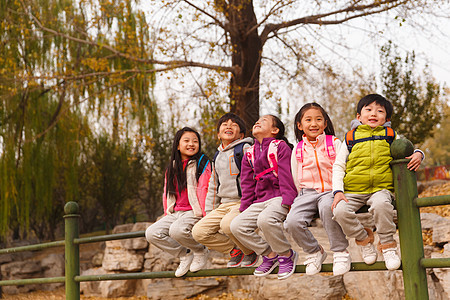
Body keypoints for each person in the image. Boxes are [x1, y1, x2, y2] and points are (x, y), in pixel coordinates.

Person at [331, 94, 424, 271]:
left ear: (386, 118)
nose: (374, 114)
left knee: (382, 205)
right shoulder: (351, 138)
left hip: (380, 189)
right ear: (359, 116)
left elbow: (407, 147)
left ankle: (388, 246)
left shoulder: (390, 135)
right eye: (368, 110)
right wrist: (338, 191)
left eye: (380, 111)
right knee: (339, 210)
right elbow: (339, 165)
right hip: (354, 189)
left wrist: (419, 153)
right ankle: (364, 240)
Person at [285, 103, 350, 276]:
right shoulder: (298, 148)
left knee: (327, 209)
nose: (314, 123)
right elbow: (295, 173)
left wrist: (339, 190)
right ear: (300, 125)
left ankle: (340, 251)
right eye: (308, 120)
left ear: (325, 123)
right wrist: (301, 197)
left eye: (318, 119)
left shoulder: (334, 143)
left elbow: (344, 166)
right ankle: (314, 252)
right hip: (307, 192)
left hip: (330, 190)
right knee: (291, 221)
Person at [230, 115, 298, 280]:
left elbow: (287, 176)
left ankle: (286, 254)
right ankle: (269, 254)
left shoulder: (280, 147)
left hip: (279, 197)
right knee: (236, 225)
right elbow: (247, 185)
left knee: (265, 220)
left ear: (275, 130)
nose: (257, 122)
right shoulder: (249, 154)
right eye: (256, 121)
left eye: (264, 121)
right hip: (259, 201)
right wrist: (245, 210)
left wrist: (288, 202)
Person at [192, 113, 259, 268]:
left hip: (242, 202)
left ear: (241, 135)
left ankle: (250, 251)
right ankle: (236, 250)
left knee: (227, 225)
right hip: (224, 205)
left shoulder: (245, 149)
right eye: (224, 124)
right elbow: (213, 186)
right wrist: (209, 212)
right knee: (199, 232)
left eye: (234, 124)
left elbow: (257, 174)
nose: (229, 126)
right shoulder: (217, 156)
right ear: (218, 134)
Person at [145, 127, 212, 277]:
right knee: (151, 233)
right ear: (177, 145)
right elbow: (166, 193)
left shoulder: (202, 163)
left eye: (195, 141)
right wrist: (167, 212)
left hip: (195, 211)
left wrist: (207, 213)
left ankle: (200, 250)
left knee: (177, 230)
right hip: (176, 212)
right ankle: (185, 254)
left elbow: (207, 188)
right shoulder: (172, 167)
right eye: (186, 141)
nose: (191, 144)